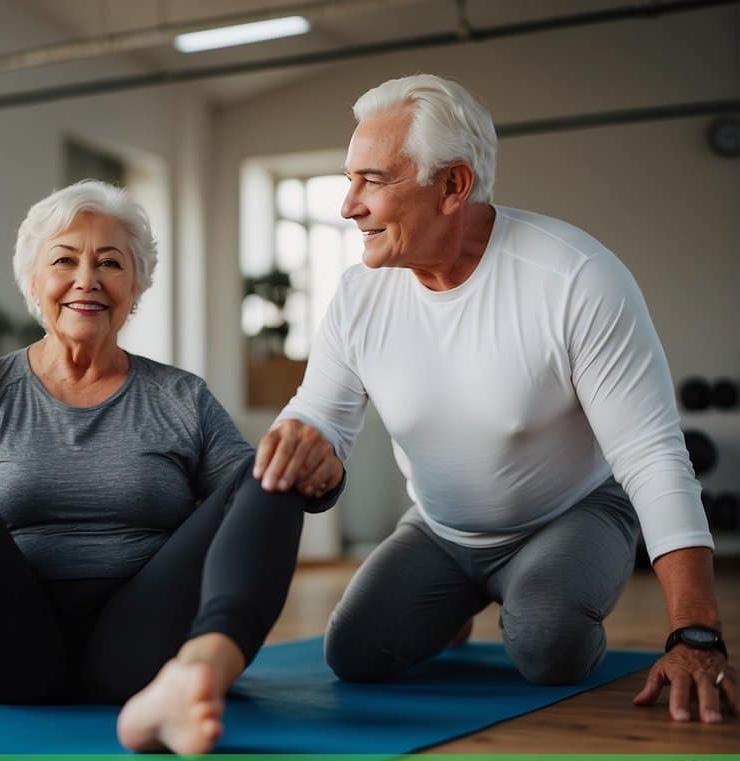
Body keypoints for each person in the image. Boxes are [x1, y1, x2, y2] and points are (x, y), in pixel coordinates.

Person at [255, 74, 735, 723]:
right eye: (349, 179)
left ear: (452, 185)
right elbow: (320, 417)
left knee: (546, 648)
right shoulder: (358, 295)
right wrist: (301, 439)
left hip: (571, 513)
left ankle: (545, 597)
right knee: (356, 655)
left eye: (372, 180)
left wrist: (695, 631)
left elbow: (651, 454)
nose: (348, 205)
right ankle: (454, 603)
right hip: (441, 528)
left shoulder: (574, 278)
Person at [0, 180, 342, 761]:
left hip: (146, 648)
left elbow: (264, 502)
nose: (87, 279)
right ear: (34, 284)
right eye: (64, 260)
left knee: (269, 464)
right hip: (9, 645)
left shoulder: (180, 398)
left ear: (135, 287)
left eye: (110, 263)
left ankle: (195, 679)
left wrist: (318, 468)